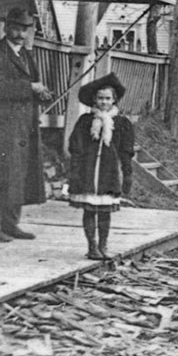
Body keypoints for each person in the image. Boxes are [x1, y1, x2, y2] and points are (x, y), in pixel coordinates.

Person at [67, 73, 135, 260]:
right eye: (100, 98)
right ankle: (92, 246)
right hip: (87, 172)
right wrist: (75, 171)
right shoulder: (85, 121)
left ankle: (104, 245)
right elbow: (75, 147)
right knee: (89, 209)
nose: (104, 102)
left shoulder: (122, 124)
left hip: (109, 173)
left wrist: (127, 174)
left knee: (105, 211)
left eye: (108, 98)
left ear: (114, 100)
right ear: (94, 100)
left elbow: (126, 151)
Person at [0, 7, 50, 242]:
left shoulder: (27, 55)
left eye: (24, 29)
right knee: (4, 175)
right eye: (16, 28)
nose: (20, 34)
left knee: (18, 176)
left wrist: (41, 94)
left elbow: (34, 84)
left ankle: (11, 224)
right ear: (6, 27)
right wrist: (29, 88)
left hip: (25, 125)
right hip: (4, 125)